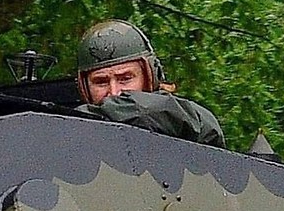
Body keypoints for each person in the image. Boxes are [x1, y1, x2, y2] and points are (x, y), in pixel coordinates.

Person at [73, 20, 226, 148]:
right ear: (85, 87)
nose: (114, 92)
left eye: (125, 79)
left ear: (149, 77)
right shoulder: (75, 139)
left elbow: (207, 129)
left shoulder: (183, 117)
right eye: (101, 82)